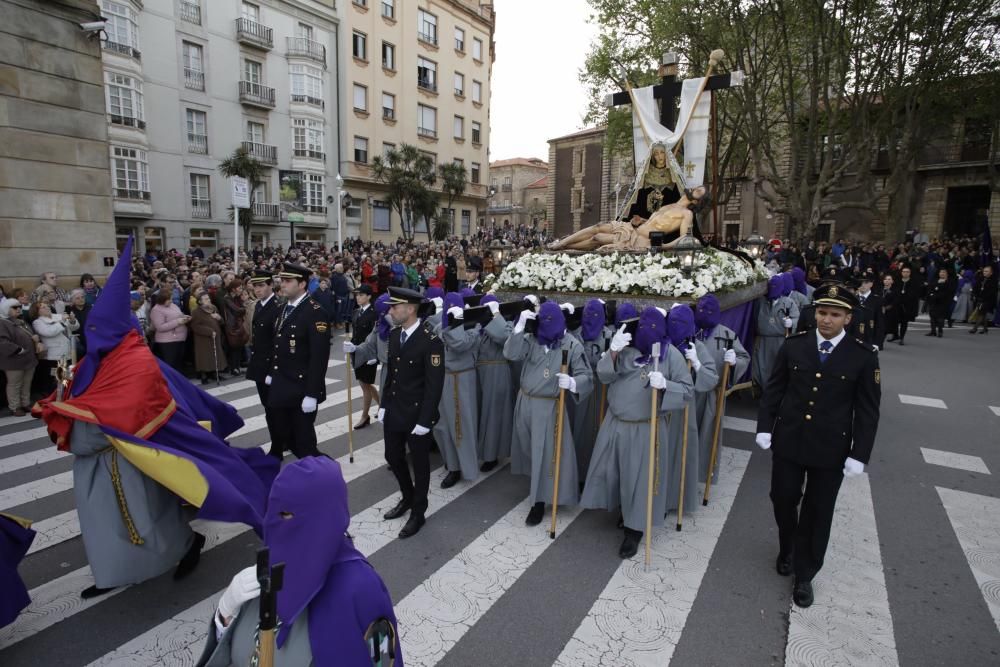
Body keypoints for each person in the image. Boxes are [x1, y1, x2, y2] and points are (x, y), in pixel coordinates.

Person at [196, 457, 401, 667]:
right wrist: (224, 615)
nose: (277, 525)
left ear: (324, 519)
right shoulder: (265, 573)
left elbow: (384, 662)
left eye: (288, 515)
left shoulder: (361, 588)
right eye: (275, 512)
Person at [756, 283, 880, 608]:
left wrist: (859, 453)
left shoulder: (863, 356)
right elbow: (774, 389)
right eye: (822, 312)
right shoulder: (794, 346)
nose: (826, 320)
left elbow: (867, 411)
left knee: (818, 510)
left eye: (834, 315)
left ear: (847, 318)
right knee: (782, 498)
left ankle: (805, 573)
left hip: (831, 447)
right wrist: (765, 427)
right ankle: (788, 546)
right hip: (790, 439)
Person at [580, 307, 692, 558]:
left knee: (640, 480)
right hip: (616, 422)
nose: (647, 333)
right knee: (613, 472)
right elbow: (603, 376)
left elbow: (687, 391)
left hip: (647, 426)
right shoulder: (626, 348)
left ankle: (634, 529)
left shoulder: (671, 355)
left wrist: (666, 386)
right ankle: (622, 509)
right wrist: (613, 351)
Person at [503, 301, 593, 526]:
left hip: (549, 405)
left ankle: (539, 501)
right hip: (525, 402)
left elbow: (586, 376)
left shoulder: (571, 345)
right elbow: (511, 354)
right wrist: (519, 327)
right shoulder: (530, 339)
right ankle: (538, 486)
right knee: (530, 450)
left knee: (546, 453)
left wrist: (573, 382)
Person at [369, 286, 445, 539]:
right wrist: (383, 405)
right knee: (393, 456)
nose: (390, 311)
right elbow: (391, 374)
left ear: (410, 309)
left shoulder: (431, 340)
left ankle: (418, 511)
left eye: (394, 307)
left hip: (416, 414)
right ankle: (408, 497)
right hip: (395, 410)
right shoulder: (394, 335)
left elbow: (435, 385)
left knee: (421, 465)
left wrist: (426, 420)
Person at [264, 263, 332, 459]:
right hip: (281, 384)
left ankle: (325, 477)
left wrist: (312, 393)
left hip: (301, 388)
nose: (282, 285)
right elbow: (277, 343)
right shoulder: (284, 308)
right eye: (281, 280)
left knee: (305, 445)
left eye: (287, 281)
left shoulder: (315, 312)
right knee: (284, 435)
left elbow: (319, 357)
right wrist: (271, 372)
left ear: (302, 284)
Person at [663, 305, 718, 516]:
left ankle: (673, 499)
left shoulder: (698, 347)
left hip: (684, 409)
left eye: (682, 323)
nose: (677, 327)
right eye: (673, 323)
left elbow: (711, 378)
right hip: (663, 405)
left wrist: (696, 363)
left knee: (679, 453)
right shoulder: (663, 344)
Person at [693, 294, 750, 483]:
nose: (704, 314)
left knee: (708, 435)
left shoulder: (727, 335)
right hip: (690, 393)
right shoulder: (689, 330)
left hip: (712, 394)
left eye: (709, 311)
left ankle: (702, 474)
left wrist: (735, 362)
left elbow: (744, 357)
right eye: (701, 310)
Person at [548, 187, 708, 252]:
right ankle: (562, 244)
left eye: (700, 191)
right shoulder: (671, 204)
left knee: (597, 239)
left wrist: (664, 246)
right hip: (632, 228)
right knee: (598, 226)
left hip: (639, 240)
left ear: (697, 201)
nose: (696, 188)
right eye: (698, 187)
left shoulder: (687, 214)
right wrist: (642, 220)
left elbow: (685, 238)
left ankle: (564, 247)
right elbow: (655, 222)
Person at [433, 292, 482, 488]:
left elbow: (460, 343)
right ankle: (452, 466)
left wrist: (460, 322)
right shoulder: (439, 327)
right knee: (444, 424)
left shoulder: (472, 327)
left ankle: (468, 467)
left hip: (464, 378)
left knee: (464, 425)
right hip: (444, 378)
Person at [570, 298, 612, 482]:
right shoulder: (576, 335)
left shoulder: (609, 335)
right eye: (588, 315)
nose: (591, 319)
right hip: (582, 390)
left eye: (596, 315)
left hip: (602, 389)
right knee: (579, 431)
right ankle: (578, 472)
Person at [245, 270, 282, 459]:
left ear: (270, 285)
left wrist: (273, 370)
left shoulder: (277, 307)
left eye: (261, 286)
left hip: (272, 367)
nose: (257, 290)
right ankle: (281, 442)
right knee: (268, 408)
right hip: (260, 365)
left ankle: (278, 447)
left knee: (275, 409)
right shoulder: (258, 305)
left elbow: (278, 342)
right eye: (255, 286)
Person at [476, 295, 514, 472]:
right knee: (480, 414)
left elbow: (506, 337)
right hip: (479, 372)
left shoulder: (505, 323)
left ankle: (491, 455)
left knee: (493, 416)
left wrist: (496, 315)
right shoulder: (478, 324)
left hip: (496, 371)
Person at [752, 275, 798, 390]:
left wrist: (791, 323)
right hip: (762, 340)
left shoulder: (788, 302)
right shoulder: (761, 301)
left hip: (780, 340)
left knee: (777, 367)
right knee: (760, 366)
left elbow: (797, 317)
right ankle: (763, 389)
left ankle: (775, 391)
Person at [30, 300, 80, 396]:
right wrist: (62, 322)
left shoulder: (58, 316)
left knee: (66, 378)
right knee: (54, 380)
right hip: (53, 356)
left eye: (47, 306)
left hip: (67, 352)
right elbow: (49, 332)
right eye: (43, 307)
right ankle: (51, 399)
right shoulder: (37, 322)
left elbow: (74, 328)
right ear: (37, 311)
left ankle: (65, 396)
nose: (47, 308)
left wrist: (73, 320)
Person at [348, 285, 380, 429]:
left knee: (365, 384)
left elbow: (377, 337)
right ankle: (383, 406)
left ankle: (364, 416)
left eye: (361, 295)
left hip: (368, 354)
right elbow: (355, 334)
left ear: (368, 296)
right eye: (357, 295)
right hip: (356, 352)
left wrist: (376, 356)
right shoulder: (356, 312)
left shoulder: (374, 314)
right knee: (365, 383)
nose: (358, 297)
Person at [0, 299, 39, 416]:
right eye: (15, 307)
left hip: (28, 358)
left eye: (19, 307)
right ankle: (15, 406)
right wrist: (17, 349)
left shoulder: (20, 321)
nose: (18, 309)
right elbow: (2, 341)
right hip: (14, 360)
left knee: (27, 382)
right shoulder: (2, 322)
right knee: (14, 384)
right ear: (7, 309)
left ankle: (25, 403)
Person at [190, 292, 228, 384]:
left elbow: (222, 322)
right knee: (204, 356)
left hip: (216, 337)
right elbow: (195, 326)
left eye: (208, 298)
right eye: (206, 299)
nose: (209, 300)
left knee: (216, 355)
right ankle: (204, 375)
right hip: (203, 339)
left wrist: (219, 318)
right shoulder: (196, 312)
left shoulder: (213, 308)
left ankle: (215, 373)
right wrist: (209, 331)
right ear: (200, 301)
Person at [149, 288, 190, 371]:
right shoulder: (156, 310)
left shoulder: (173, 305)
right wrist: (177, 322)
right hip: (168, 341)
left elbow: (179, 314)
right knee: (171, 365)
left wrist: (184, 317)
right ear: (162, 299)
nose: (171, 301)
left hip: (180, 338)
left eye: (171, 298)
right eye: (169, 299)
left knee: (179, 364)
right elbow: (160, 327)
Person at [221, 279, 247, 376]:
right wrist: (243, 308)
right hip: (231, 326)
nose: (241, 290)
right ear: (233, 289)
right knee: (233, 346)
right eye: (239, 288)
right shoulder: (227, 298)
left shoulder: (236, 298)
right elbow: (237, 310)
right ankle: (233, 368)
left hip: (238, 324)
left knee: (239, 346)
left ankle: (237, 366)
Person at [855, 274, 885, 349]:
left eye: (866, 282)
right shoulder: (853, 298)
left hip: (868, 337)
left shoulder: (877, 300)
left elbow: (879, 323)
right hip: (853, 337)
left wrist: (877, 343)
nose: (863, 285)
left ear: (871, 284)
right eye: (860, 282)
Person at [969, 265, 997, 334]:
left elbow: (992, 291)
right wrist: (974, 294)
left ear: (991, 273)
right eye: (984, 271)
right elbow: (975, 287)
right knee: (983, 313)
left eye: (987, 271)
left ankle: (974, 328)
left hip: (988, 299)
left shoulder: (994, 280)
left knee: (981, 313)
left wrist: (983, 297)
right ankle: (985, 329)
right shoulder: (980, 278)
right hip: (980, 298)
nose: (984, 272)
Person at [895, 266, 920, 344]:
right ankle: (895, 335)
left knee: (904, 323)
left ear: (910, 273)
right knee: (894, 321)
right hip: (897, 305)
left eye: (907, 272)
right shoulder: (897, 281)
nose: (905, 273)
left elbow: (914, 294)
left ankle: (902, 338)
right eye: (904, 271)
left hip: (907, 306)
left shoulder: (914, 282)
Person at [925, 268, 952, 338]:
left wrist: (935, 295)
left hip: (942, 302)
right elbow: (930, 288)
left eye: (944, 272)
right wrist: (931, 294)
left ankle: (940, 331)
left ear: (946, 274)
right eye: (941, 272)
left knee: (940, 318)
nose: (942, 274)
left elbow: (946, 293)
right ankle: (933, 331)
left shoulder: (948, 282)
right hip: (933, 301)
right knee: (932, 317)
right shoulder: (935, 280)